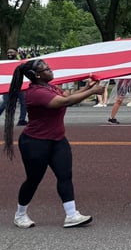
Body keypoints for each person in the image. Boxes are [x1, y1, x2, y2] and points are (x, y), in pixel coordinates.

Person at [3, 58, 105, 228]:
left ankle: (71, 215)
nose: (51, 70)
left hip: (57, 140)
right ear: (36, 75)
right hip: (35, 143)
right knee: (34, 179)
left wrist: (87, 88)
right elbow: (64, 102)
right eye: (46, 69)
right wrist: (92, 91)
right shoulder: (36, 93)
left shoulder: (49, 87)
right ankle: (20, 215)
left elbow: (67, 96)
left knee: (65, 176)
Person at [1, 48, 29, 126]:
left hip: (20, 86)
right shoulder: (4, 64)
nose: (9, 54)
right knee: (6, 103)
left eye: (11, 52)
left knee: (23, 102)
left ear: (16, 53)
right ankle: (10, 120)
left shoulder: (21, 63)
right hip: (8, 87)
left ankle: (22, 120)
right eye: (8, 52)